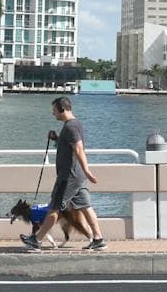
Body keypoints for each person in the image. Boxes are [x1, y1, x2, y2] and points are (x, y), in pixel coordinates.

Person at [22, 95, 107, 251]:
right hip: (77, 176)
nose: (52, 113)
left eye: (54, 110)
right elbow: (70, 146)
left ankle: (37, 240)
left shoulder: (71, 127)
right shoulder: (73, 125)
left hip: (69, 177)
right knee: (86, 207)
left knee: (54, 208)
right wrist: (56, 139)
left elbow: (78, 148)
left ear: (62, 109)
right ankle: (98, 238)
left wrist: (87, 170)